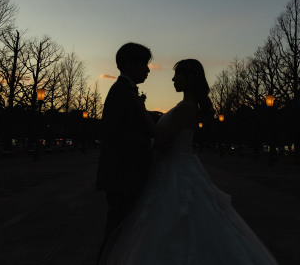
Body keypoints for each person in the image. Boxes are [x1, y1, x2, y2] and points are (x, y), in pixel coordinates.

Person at [100, 58, 279, 264]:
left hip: (175, 170)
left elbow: (162, 137)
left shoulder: (188, 107)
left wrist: (142, 110)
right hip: (173, 168)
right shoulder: (185, 106)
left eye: (177, 75)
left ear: (189, 78)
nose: (173, 79)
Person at [96, 42, 160, 258]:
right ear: (130, 64)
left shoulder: (125, 90)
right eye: (144, 64)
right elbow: (113, 132)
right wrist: (150, 144)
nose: (148, 70)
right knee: (117, 231)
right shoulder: (121, 92)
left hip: (124, 174)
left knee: (121, 230)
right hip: (122, 175)